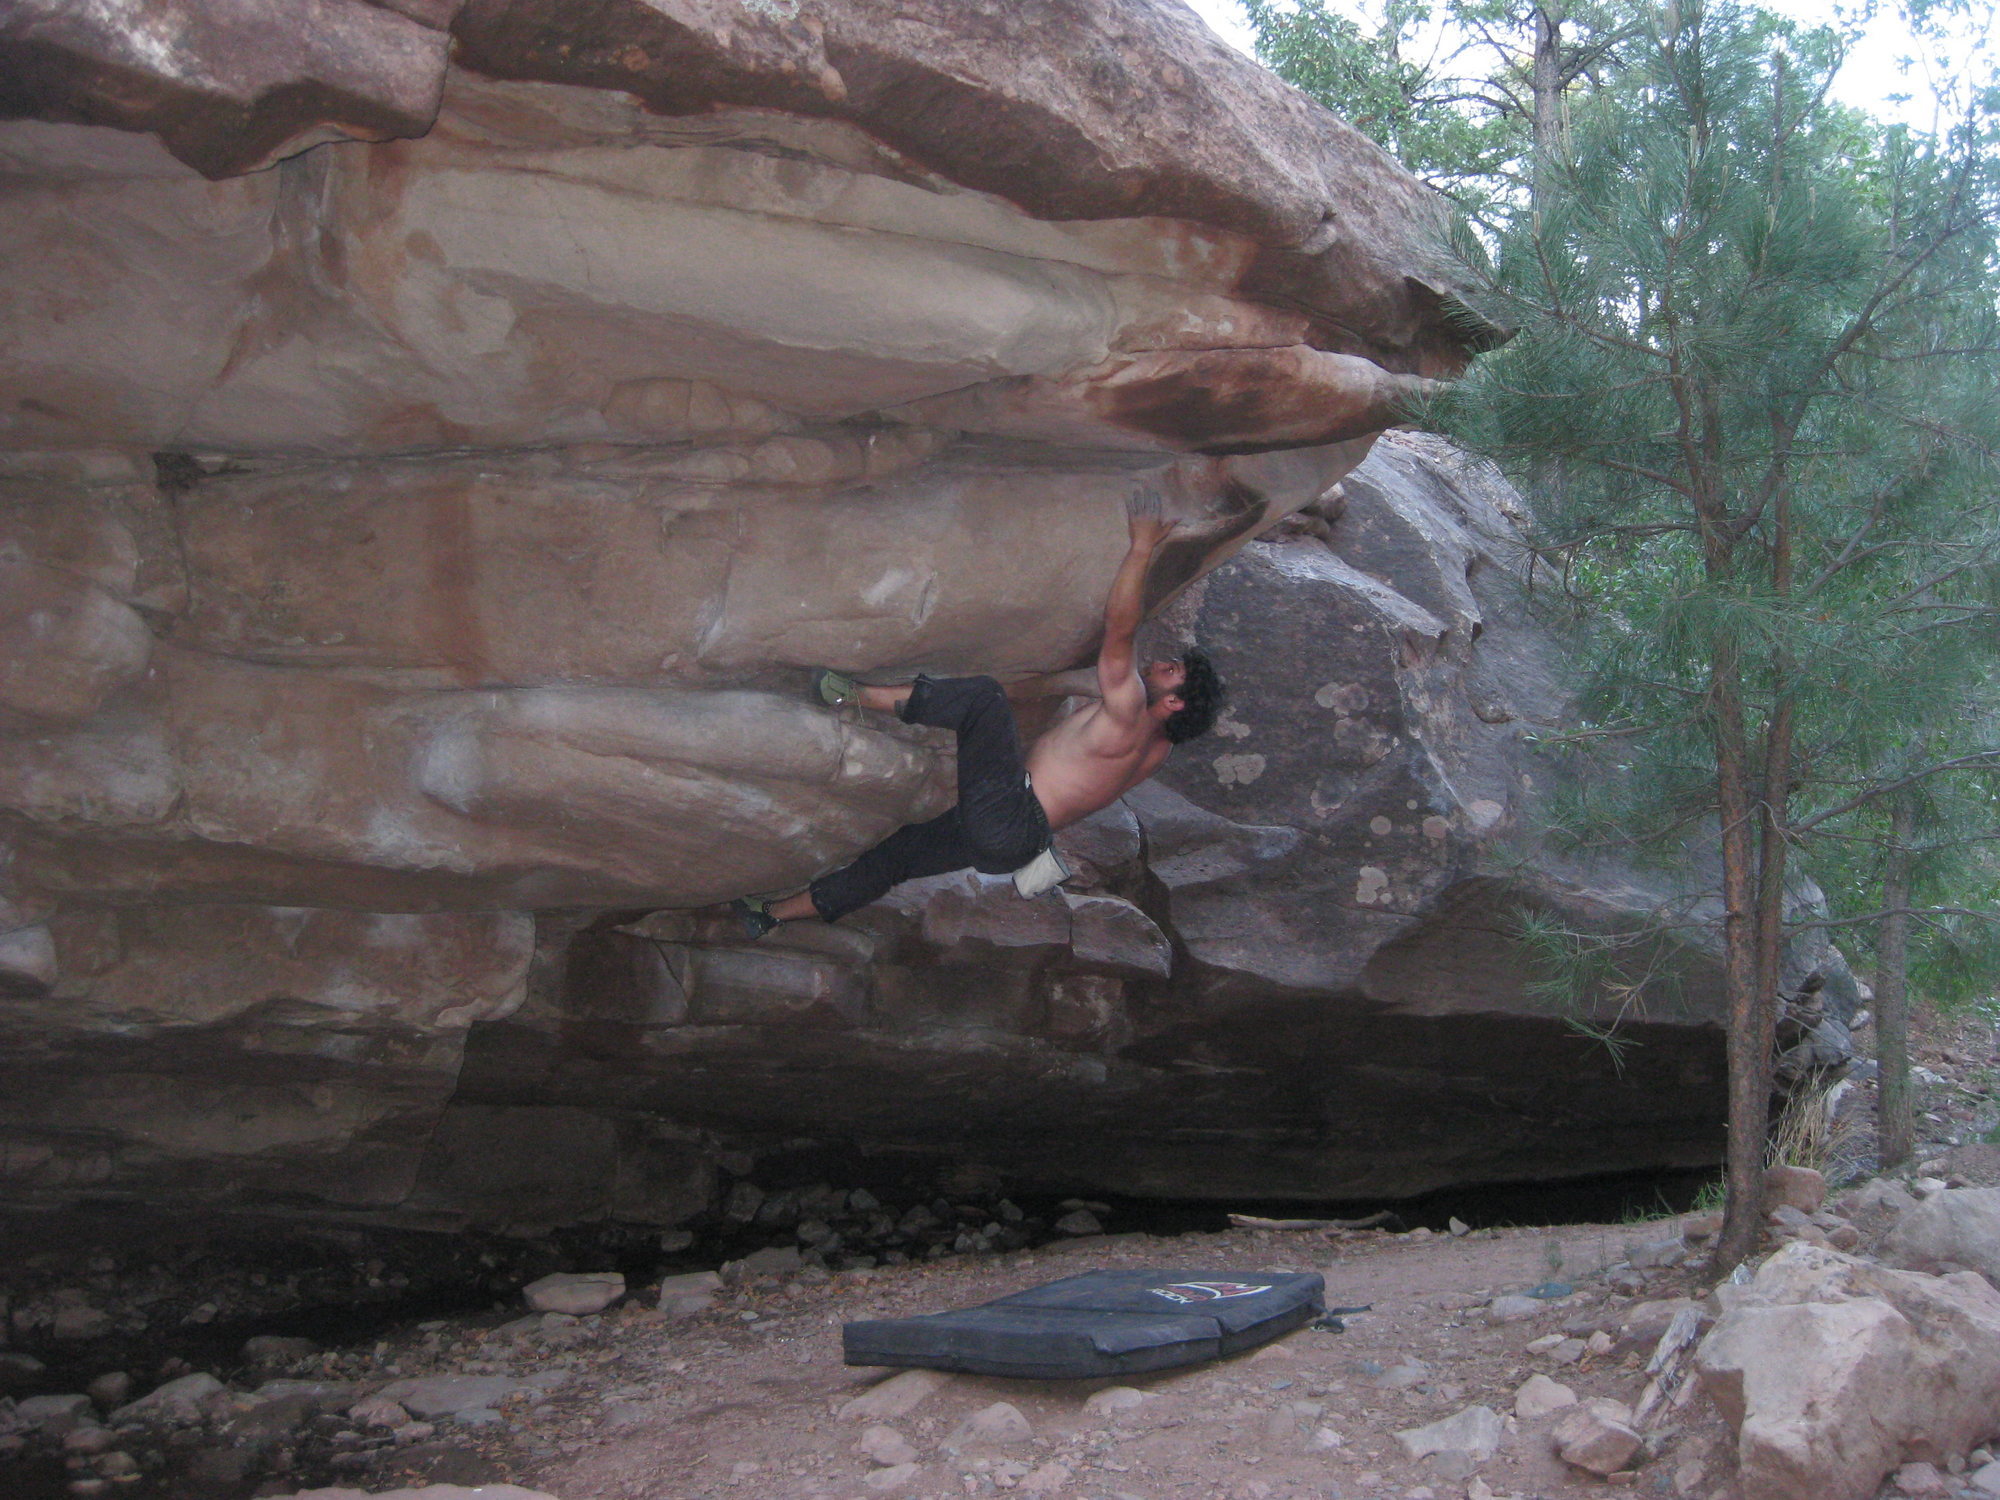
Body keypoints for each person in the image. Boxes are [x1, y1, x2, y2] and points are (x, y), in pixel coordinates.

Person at [732, 495, 1224, 936]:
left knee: (983, 699)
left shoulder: (1129, 709)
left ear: (1173, 701)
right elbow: (1071, 702)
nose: (1161, 664)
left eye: (1172, 670)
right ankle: (769, 915)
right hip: (1015, 845)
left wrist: (1141, 547)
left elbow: (1121, 627)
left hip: (1011, 817)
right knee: (897, 857)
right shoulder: (1156, 748)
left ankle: (849, 695)